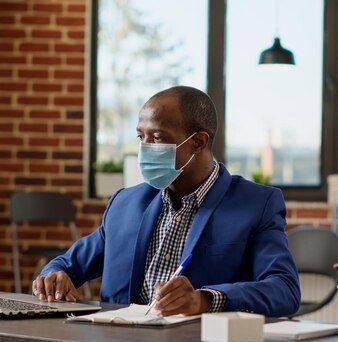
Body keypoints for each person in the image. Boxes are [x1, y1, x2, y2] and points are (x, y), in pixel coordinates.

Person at [33, 86, 300, 317]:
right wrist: (55, 276)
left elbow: (284, 288)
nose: (145, 147)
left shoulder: (256, 204)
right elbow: (68, 264)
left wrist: (204, 299)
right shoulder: (125, 203)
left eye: (158, 137)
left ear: (198, 142)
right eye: (141, 137)